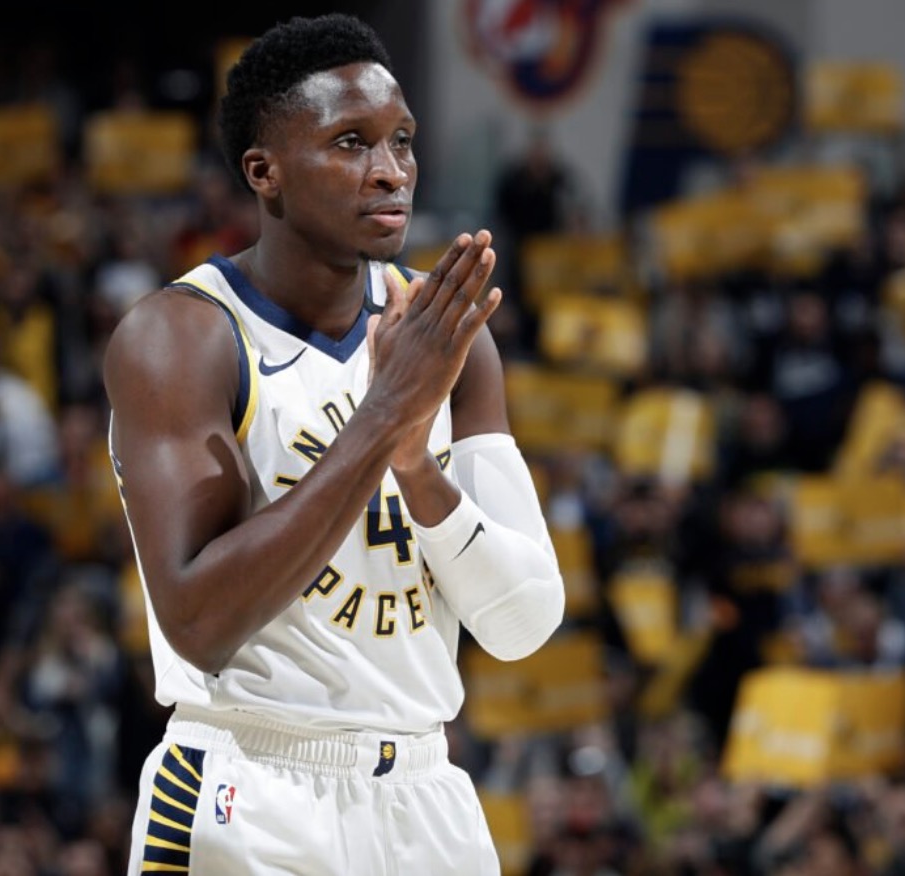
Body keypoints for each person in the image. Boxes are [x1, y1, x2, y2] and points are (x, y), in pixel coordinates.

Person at [102, 13, 565, 875]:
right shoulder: (183, 337)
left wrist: (417, 467)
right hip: (250, 784)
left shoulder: (446, 336)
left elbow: (523, 624)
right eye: (351, 143)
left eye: (401, 141)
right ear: (264, 172)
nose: (390, 170)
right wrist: (383, 418)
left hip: (426, 795)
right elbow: (199, 622)